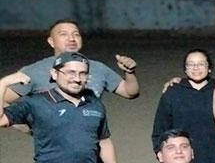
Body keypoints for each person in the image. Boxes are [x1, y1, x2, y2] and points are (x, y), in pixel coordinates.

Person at [1, 19, 139, 105]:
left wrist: (129, 72)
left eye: (76, 34)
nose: (71, 39)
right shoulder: (34, 71)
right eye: (63, 34)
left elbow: (130, 92)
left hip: (93, 141)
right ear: (51, 42)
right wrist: (27, 126)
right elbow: (3, 100)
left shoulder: (98, 68)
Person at [152, 49, 215, 163]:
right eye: (191, 64)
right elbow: (160, 129)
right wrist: (161, 155)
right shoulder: (173, 92)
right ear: (185, 69)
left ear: (209, 68)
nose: (196, 68)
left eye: (201, 64)